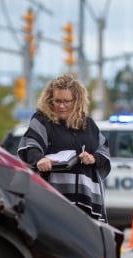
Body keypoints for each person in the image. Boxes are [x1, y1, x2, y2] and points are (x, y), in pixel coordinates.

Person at [17, 74, 111, 221]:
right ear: (50, 100)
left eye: (67, 101)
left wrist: (93, 158)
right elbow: (31, 145)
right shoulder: (41, 121)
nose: (61, 106)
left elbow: (103, 148)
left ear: (77, 101)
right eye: (57, 101)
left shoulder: (88, 124)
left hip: (87, 197)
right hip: (54, 195)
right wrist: (39, 159)